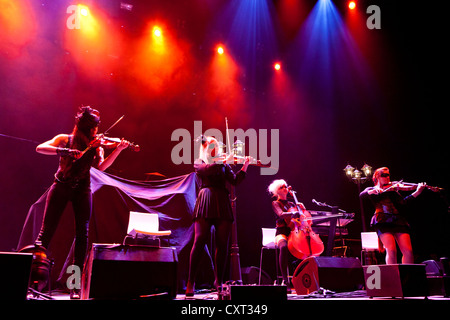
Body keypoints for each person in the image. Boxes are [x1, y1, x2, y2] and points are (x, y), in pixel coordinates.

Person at [35, 106, 130, 299]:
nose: (97, 131)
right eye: (94, 127)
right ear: (87, 128)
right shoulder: (66, 139)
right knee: (45, 234)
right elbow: (40, 147)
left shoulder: (97, 146)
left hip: (83, 189)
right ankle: (33, 280)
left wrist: (118, 149)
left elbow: (101, 168)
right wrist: (65, 151)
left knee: (82, 236)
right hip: (61, 186)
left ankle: (75, 285)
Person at [185, 135, 250, 297]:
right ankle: (190, 281)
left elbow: (234, 181)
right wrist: (223, 160)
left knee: (222, 245)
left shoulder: (223, 163)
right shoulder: (200, 161)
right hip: (206, 199)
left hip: (222, 201)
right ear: (206, 147)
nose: (215, 148)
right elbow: (206, 171)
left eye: (216, 145)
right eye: (211, 145)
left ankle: (218, 281)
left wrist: (245, 166)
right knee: (199, 241)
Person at [359, 167, 426, 264]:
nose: (387, 177)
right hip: (382, 220)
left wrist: (417, 192)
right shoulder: (372, 189)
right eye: (383, 175)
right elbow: (362, 195)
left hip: (398, 221)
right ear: (377, 177)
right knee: (391, 250)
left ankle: (407, 276)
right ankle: (393, 276)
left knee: (408, 251)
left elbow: (404, 202)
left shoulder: (393, 190)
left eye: (388, 175)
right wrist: (372, 191)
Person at [268, 179, 305, 290]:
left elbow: (301, 217)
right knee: (283, 247)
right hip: (281, 232)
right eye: (281, 187)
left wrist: (302, 208)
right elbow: (281, 214)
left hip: (294, 232)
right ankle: (285, 280)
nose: (285, 188)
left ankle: (301, 276)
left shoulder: (292, 203)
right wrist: (294, 212)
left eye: (285, 186)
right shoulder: (275, 203)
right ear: (276, 192)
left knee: (304, 249)